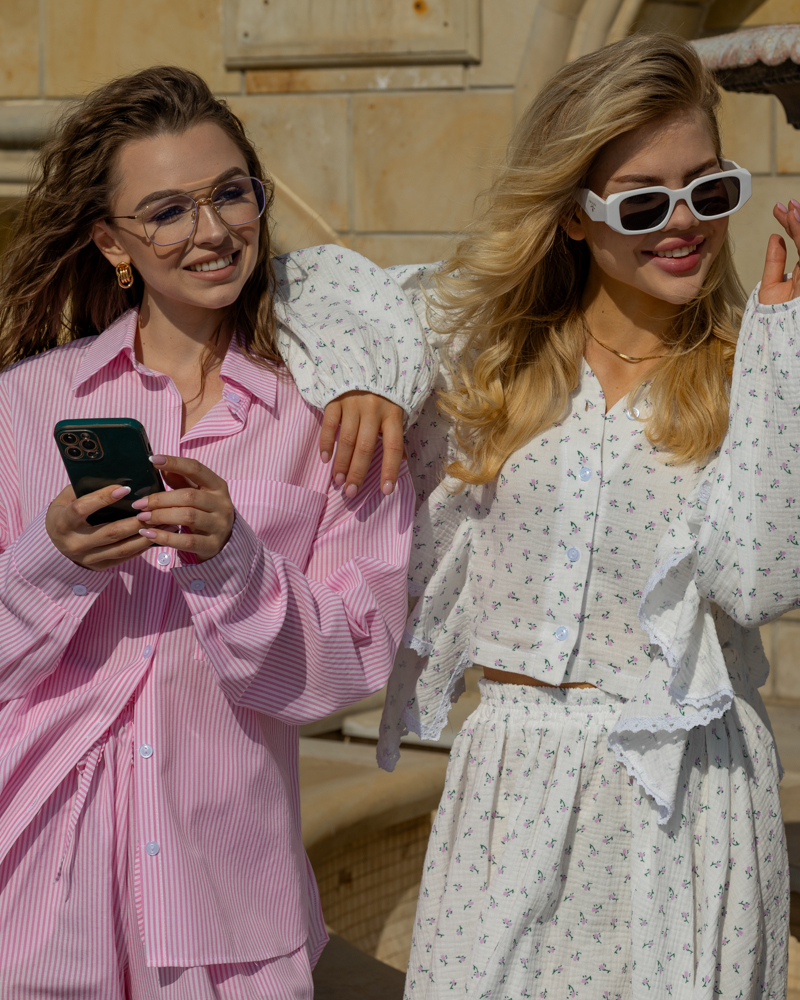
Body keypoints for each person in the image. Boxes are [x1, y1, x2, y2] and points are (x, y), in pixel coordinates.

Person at [345, 32, 795, 1000]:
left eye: (709, 188)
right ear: (574, 217)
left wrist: (782, 356)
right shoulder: (490, 357)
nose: (685, 223)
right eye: (642, 201)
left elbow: (760, 580)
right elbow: (316, 293)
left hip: (687, 796)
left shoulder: (757, 371)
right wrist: (367, 379)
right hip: (511, 779)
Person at [0, 66, 434, 999]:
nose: (211, 231)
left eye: (230, 193)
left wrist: (238, 566)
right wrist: (50, 563)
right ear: (110, 241)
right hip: (33, 884)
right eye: (166, 210)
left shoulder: (335, 418)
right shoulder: (23, 405)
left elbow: (355, 660)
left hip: (229, 902)